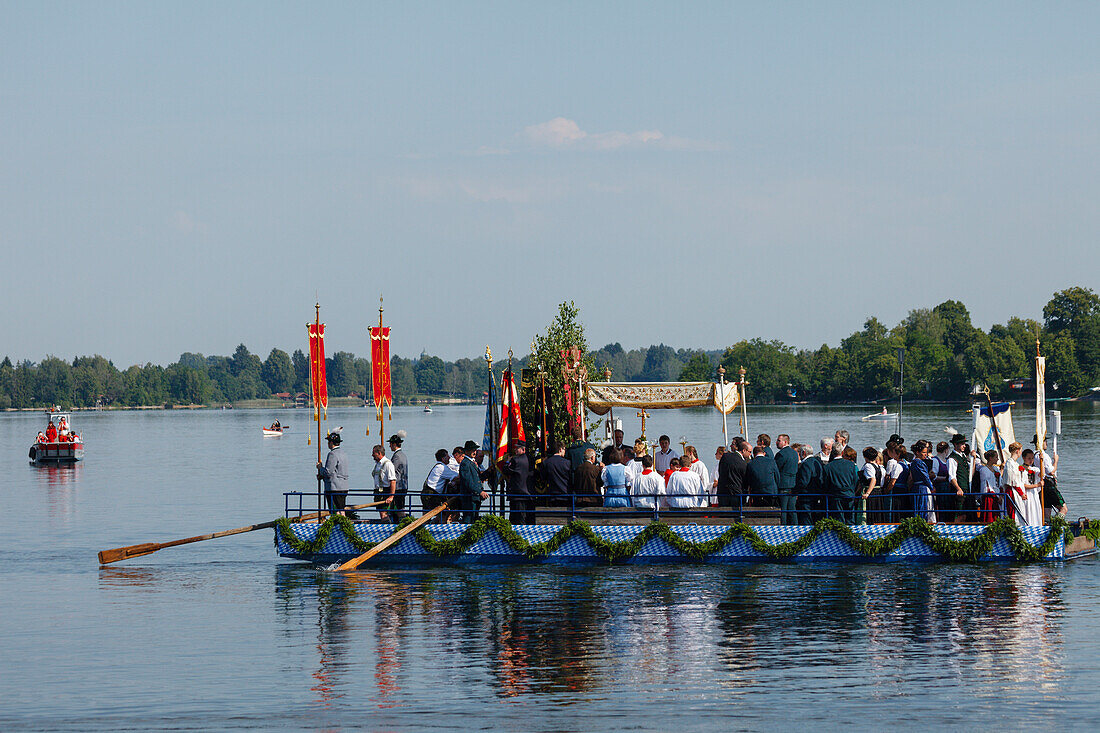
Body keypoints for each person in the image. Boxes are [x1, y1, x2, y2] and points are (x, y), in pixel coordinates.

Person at [317, 428, 351, 518]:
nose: (328, 444)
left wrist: (320, 468)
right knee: (341, 508)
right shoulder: (344, 453)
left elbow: (329, 472)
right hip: (344, 486)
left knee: (335, 510)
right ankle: (342, 523)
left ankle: (338, 525)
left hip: (334, 487)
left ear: (332, 443)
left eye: (329, 442)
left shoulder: (332, 454)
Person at [500, 440, 534, 524]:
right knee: (527, 518)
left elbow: (505, 470)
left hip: (517, 494)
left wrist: (507, 461)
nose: (515, 450)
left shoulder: (515, 460)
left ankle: (518, 536)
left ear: (523, 449)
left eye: (517, 448)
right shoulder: (531, 460)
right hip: (528, 494)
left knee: (517, 519)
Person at [1033, 434, 1066, 520]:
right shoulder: (1043, 455)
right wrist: (1056, 461)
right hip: (1048, 484)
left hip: (1042, 486)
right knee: (1063, 509)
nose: (1046, 443)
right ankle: (1057, 525)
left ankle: (1048, 526)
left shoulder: (1034, 455)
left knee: (1047, 512)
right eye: (1045, 441)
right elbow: (1051, 472)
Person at [824, 446, 860, 523]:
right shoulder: (851, 465)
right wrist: (851, 490)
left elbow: (826, 483)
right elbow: (856, 479)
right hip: (849, 494)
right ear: (842, 452)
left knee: (838, 519)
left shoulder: (828, 467)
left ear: (832, 453)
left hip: (835, 496)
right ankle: (851, 534)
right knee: (850, 519)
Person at [458, 440, 489, 522]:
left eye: (475, 450)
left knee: (474, 517)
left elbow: (478, 478)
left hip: (474, 497)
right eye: (472, 450)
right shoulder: (465, 463)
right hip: (469, 497)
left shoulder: (471, 462)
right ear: (467, 451)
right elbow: (468, 482)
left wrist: (489, 472)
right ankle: (467, 533)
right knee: (469, 519)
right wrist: (480, 492)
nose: (474, 452)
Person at [423, 449, 458, 518]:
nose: (449, 458)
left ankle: (427, 525)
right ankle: (436, 525)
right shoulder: (442, 468)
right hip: (431, 495)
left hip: (427, 493)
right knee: (443, 514)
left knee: (427, 514)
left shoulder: (437, 466)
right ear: (443, 458)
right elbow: (456, 476)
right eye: (448, 456)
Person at [794, 444, 824, 524]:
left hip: (806, 497)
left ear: (803, 453)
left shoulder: (806, 464)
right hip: (816, 496)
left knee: (806, 520)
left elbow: (804, 482)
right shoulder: (817, 462)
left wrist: (795, 491)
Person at [716, 437, 749, 508]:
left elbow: (720, 471)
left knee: (724, 516)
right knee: (737, 516)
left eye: (733, 444)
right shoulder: (744, 463)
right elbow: (745, 479)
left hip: (723, 492)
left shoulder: (725, 457)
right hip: (737, 494)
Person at [908, 440, 936, 522]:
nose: (926, 454)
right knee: (924, 507)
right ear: (917, 452)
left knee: (920, 507)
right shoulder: (918, 462)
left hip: (917, 487)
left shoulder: (914, 462)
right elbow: (925, 477)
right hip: (922, 488)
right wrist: (931, 487)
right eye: (923, 452)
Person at [774, 434, 799, 525]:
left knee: (783, 510)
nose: (776, 442)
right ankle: (795, 528)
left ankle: (783, 529)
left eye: (778, 440)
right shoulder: (794, 453)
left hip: (783, 485)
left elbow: (776, 469)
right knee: (792, 510)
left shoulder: (781, 454)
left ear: (785, 442)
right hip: (793, 485)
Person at [371, 444, 398, 522]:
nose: (372, 455)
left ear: (379, 453)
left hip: (385, 492)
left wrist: (391, 496)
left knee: (384, 514)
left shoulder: (388, 464)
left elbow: (393, 481)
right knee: (381, 513)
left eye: (374, 453)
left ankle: (387, 529)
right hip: (378, 492)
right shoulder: (378, 464)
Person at [541, 442, 572, 507]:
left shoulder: (546, 463)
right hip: (565, 495)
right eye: (564, 449)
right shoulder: (567, 463)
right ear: (560, 449)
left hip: (552, 495)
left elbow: (543, 478)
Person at [858, 447, 884, 525]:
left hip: (871, 493)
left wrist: (868, 493)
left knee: (869, 514)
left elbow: (873, 480)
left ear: (865, 457)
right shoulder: (878, 466)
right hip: (878, 492)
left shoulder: (868, 466)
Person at [932, 441, 955, 523]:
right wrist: (946, 478)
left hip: (947, 489)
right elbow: (934, 477)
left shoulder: (947, 460)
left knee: (948, 508)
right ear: (946, 450)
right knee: (941, 507)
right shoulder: (935, 460)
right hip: (940, 488)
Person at [387, 432, 409, 521]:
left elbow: (392, 471)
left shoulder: (397, 456)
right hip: (403, 485)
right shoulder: (403, 455)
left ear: (394, 444)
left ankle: (403, 522)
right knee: (400, 506)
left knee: (399, 507)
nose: (389, 446)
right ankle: (400, 520)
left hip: (398, 486)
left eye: (390, 444)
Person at [977, 449, 1002, 523]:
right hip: (989, 495)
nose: (997, 459)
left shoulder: (996, 468)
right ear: (990, 458)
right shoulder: (984, 470)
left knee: (997, 513)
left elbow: (1000, 481)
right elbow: (986, 485)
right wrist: (995, 495)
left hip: (997, 493)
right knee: (989, 514)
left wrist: (1000, 494)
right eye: (996, 457)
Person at [1019, 449, 1044, 527]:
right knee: (1028, 510)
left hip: (1034, 494)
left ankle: (1037, 526)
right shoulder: (1020, 469)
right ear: (1024, 458)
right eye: (1029, 458)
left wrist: (1041, 460)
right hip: (1026, 494)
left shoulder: (1035, 469)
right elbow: (1023, 485)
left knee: (1035, 510)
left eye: (1032, 458)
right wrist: (1037, 485)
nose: (1031, 460)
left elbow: (1042, 474)